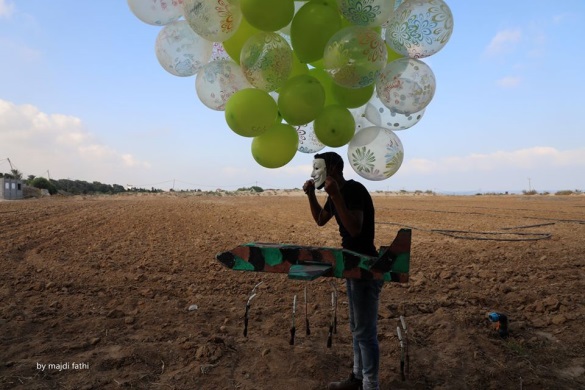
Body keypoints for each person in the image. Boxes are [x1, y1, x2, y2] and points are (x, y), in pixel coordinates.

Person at [303, 152, 383, 390]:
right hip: (350, 265)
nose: (312, 173)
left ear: (335, 168)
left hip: (365, 266)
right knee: (357, 327)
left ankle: (370, 385)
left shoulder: (354, 191)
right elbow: (320, 219)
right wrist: (310, 196)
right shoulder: (335, 195)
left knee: (365, 331)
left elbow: (355, 229)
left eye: (318, 168)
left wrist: (336, 195)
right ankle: (358, 378)